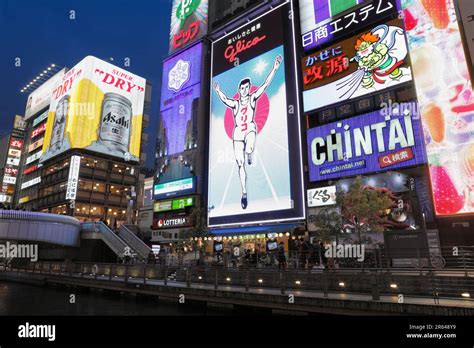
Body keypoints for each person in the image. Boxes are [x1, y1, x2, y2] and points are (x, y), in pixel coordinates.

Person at [213, 55, 282, 210]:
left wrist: (275, 68)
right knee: (240, 163)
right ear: (239, 90)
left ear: (249, 88)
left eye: (247, 88)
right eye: (242, 88)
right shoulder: (235, 103)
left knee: (249, 148)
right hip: (238, 133)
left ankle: (250, 153)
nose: (245, 90)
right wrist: (218, 90)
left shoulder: (252, 98)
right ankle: (244, 192)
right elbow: (225, 100)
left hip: (249, 128)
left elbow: (265, 85)